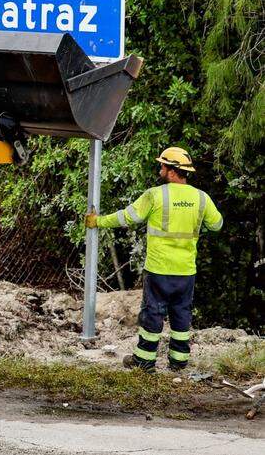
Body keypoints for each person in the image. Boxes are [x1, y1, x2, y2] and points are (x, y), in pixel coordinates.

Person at [86, 146, 223, 372]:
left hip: (159, 270)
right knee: (181, 315)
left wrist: (98, 221)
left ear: (171, 171)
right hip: (186, 271)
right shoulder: (202, 198)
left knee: (152, 314)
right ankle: (179, 362)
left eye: (162, 165)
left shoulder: (155, 195)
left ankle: (144, 361)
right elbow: (216, 225)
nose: (160, 168)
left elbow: (128, 217)